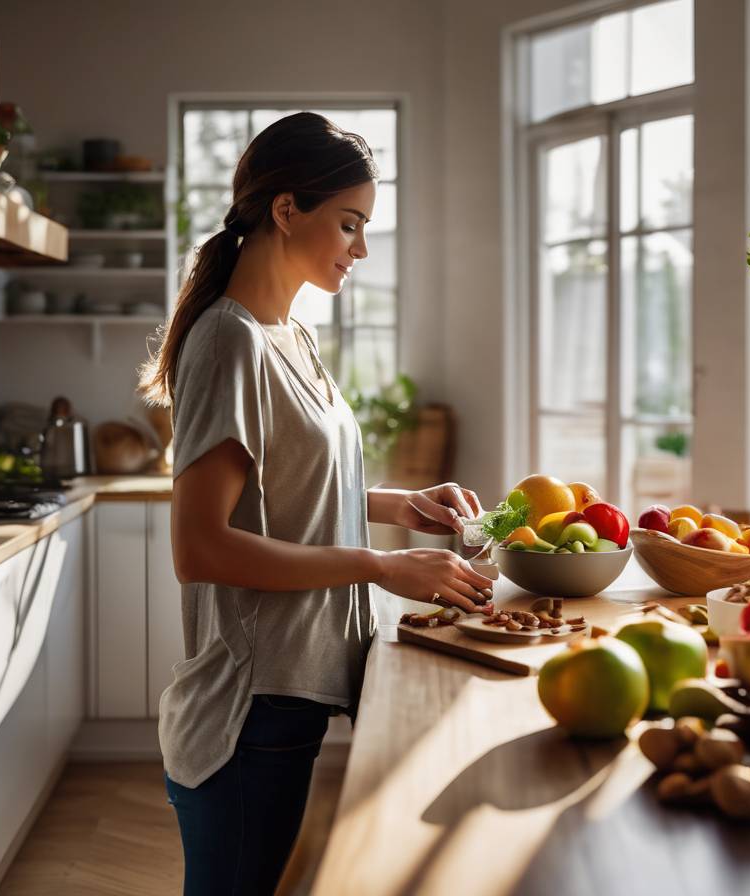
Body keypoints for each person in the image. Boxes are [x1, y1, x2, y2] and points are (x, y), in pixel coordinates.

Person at [138, 112, 494, 896]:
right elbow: (201, 549)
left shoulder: (287, 334)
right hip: (246, 715)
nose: (360, 249)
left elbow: (287, 493)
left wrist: (403, 503)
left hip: (286, 704)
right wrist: (380, 565)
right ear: (286, 209)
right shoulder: (230, 342)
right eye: (349, 224)